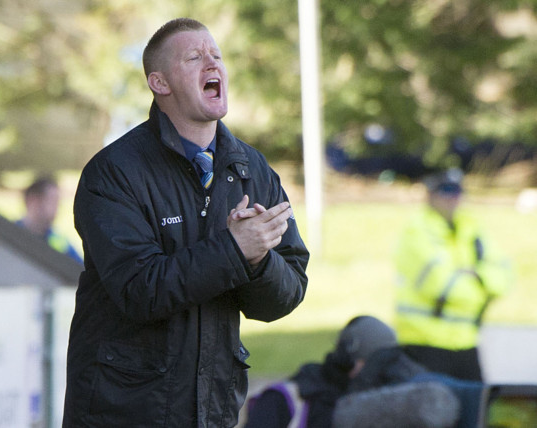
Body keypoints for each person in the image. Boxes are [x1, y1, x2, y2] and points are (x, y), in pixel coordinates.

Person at [63, 18, 309, 427]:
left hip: (212, 413)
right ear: (160, 83)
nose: (212, 64)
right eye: (194, 57)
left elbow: (286, 294)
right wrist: (234, 249)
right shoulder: (113, 173)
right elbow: (139, 290)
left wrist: (258, 261)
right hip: (123, 413)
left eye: (216, 55)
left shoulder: (252, 168)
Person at [394, 168, 513, 381]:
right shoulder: (418, 231)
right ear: (430, 194)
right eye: (445, 190)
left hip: (466, 344)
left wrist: (471, 276)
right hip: (424, 345)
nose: (453, 197)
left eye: (458, 191)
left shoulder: (471, 229)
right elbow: (442, 286)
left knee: (478, 410)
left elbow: (504, 277)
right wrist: (480, 279)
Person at [244, 315, 426, 428]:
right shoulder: (284, 400)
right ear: (348, 359)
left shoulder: (378, 401)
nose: (379, 372)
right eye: (373, 364)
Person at [17, 176, 83, 263]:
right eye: (53, 200)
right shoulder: (8, 234)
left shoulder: (59, 243)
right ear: (33, 200)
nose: (58, 207)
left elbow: (81, 269)